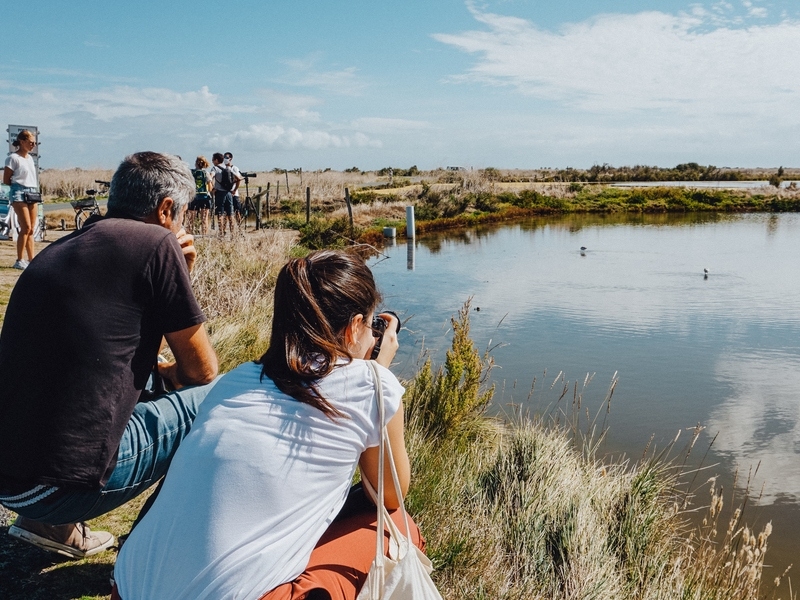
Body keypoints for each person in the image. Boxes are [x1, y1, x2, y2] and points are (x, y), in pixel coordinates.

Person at [113, 250, 425, 600]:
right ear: (354, 327)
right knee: (398, 528)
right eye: (371, 326)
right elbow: (389, 495)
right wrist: (378, 375)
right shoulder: (372, 386)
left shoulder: (236, 380)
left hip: (127, 588)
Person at [0, 151, 219, 559]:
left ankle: (50, 529)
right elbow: (203, 371)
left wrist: (162, 374)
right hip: (60, 491)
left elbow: (104, 351)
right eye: (183, 214)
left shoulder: (62, 248)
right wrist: (177, 264)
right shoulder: (157, 241)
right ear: (166, 208)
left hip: (12, 484)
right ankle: (158, 554)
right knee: (222, 395)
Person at [2, 129, 41, 269]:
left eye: (35, 143)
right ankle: (19, 259)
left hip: (32, 191)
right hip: (18, 191)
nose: (33, 145)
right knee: (26, 227)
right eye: (31, 142)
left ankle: (32, 260)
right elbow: (6, 179)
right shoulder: (13, 158)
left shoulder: (30, 158)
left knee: (31, 229)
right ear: (22, 141)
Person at [211, 152, 235, 237]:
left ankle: (221, 232)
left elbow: (211, 176)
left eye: (213, 159)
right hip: (228, 192)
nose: (212, 161)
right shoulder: (228, 167)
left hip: (220, 193)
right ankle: (233, 233)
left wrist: (212, 188)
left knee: (220, 213)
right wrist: (234, 189)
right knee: (230, 213)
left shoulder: (215, 168)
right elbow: (237, 178)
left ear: (216, 160)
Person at [187, 156, 213, 235]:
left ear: (196, 163)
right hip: (205, 197)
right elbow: (210, 188)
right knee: (204, 218)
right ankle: (204, 235)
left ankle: (190, 234)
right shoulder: (206, 173)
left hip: (194, 197)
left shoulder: (191, 173)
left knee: (191, 218)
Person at [223, 151, 244, 231]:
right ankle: (224, 229)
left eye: (227, 158)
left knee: (237, 211)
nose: (225, 159)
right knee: (225, 213)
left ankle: (240, 228)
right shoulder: (223, 169)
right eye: (224, 157)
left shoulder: (234, 168)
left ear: (231, 159)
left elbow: (238, 179)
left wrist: (235, 190)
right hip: (226, 193)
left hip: (234, 193)